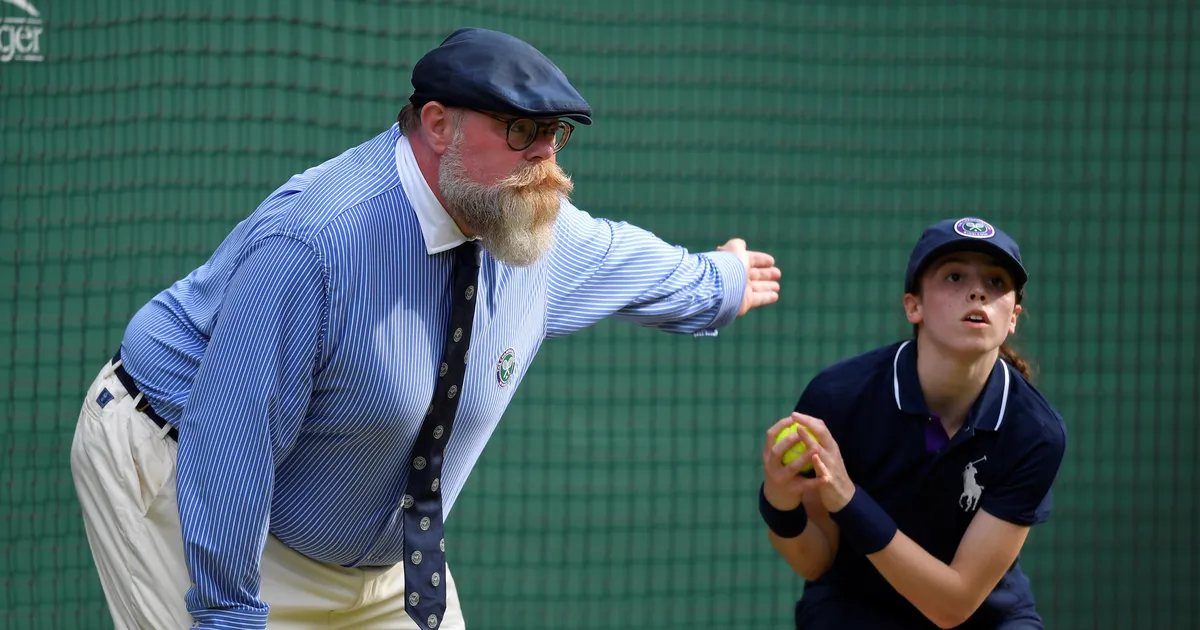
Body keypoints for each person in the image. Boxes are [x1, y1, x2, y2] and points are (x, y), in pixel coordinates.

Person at [69, 27, 781, 630]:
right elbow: (234, 430)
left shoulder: (525, 225)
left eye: (556, 136)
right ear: (440, 125)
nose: (547, 160)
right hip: (179, 476)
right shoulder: (317, 242)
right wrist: (226, 615)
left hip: (376, 564)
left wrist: (717, 280)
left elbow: (629, 258)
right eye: (522, 131)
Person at [758, 217, 1066, 629]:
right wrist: (778, 501)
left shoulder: (1035, 432)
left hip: (982, 616)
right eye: (955, 276)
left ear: (1012, 317)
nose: (978, 292)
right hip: (858, 608)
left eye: (996, 282)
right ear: (913, 306)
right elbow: (815, 562)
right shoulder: (839, 397)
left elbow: (952, 605)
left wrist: (848, 500)